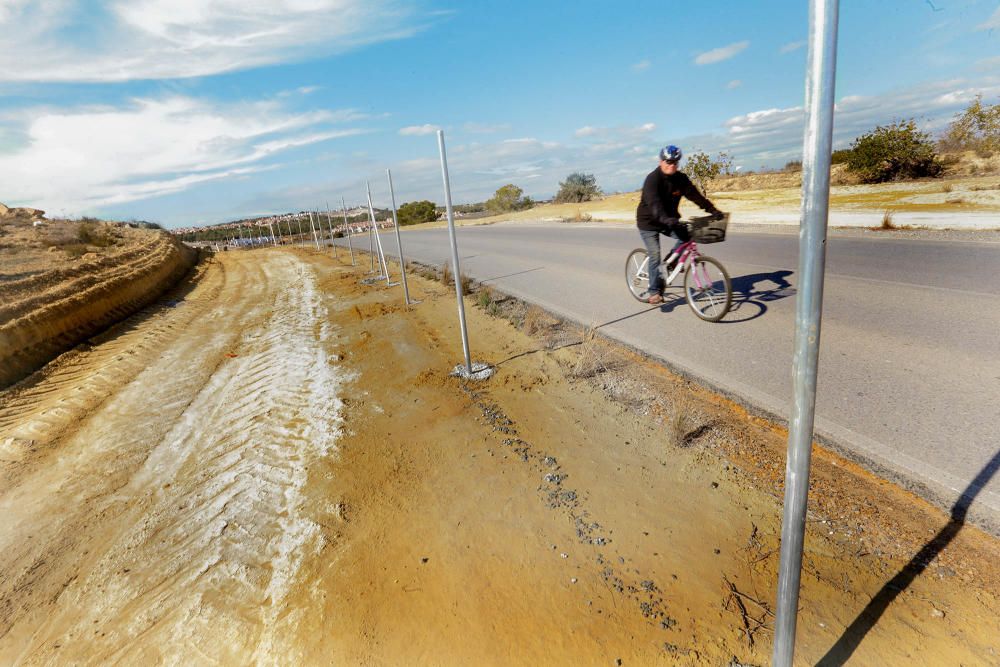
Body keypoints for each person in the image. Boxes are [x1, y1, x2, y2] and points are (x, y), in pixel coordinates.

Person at [636, 145, 725, 304]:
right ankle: (654, 290)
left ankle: (670, 263)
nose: (672, 165)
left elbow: (695, 196)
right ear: (661, 161)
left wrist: (713, 210)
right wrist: (667, 219)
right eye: (668, 161)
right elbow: (654, 205)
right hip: (648, 222)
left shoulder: (680, 179)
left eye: (675, 162)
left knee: (687, 236)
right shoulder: (652, 179)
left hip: (669, 219)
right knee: (655, 253)